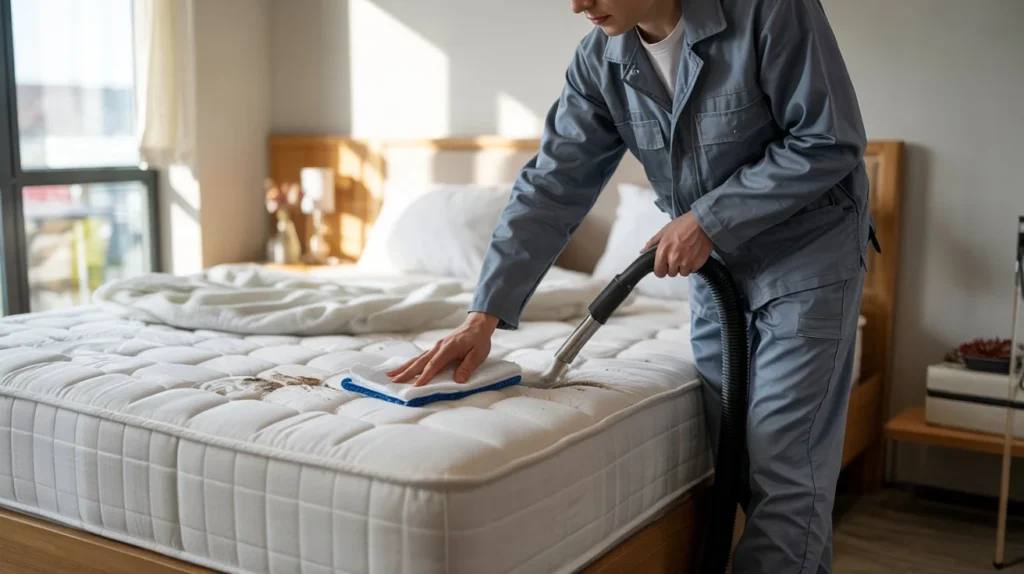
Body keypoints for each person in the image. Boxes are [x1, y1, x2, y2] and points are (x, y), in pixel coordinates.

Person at [388, 0, 876, 571]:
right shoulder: (601, 60)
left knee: (785, 468)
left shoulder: (769, 10)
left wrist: (709, 221)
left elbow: (828, 140)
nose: (577, 5)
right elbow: (550, 188)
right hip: (714, 276)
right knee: (740, 462)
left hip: (807, 259)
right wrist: (483, 317)